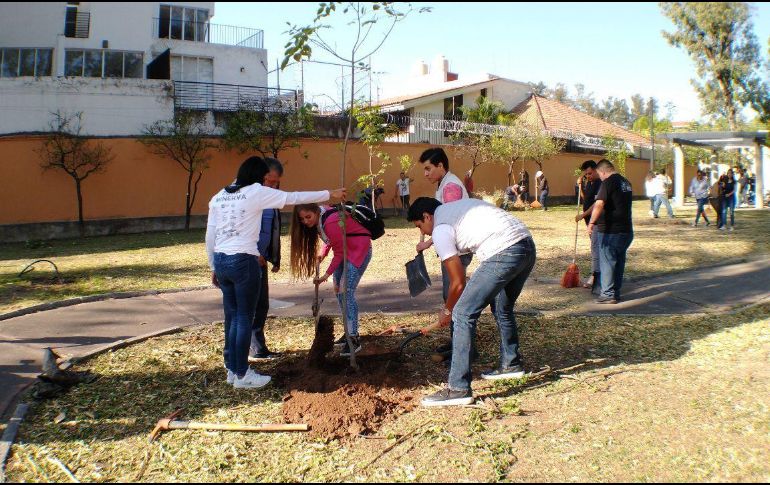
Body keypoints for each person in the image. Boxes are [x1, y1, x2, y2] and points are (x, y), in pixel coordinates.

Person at [206, 156, 345, 389]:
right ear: (257, 177)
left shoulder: (219, 196)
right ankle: (242, 375)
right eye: (265, 179)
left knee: (232, 316)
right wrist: (329, 193)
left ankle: (232, 369)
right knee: (244, 317)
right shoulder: (255, 192)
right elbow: (294, 198)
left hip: (221, 260)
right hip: (243, 261)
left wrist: (213, 265)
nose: (267, 183)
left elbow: (210, 234)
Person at [407, 197, 536, 407]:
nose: (424, 232)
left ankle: (458, 388)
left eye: (419, 226)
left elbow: (458, 282)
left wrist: (447, 310)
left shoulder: (440, 229)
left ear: (426, 216)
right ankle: (511, 363)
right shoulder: (455, 210)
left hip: (503, 251)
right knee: (501, 307)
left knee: (462, 314)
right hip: (526, 245)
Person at [290, 203, 373, 356]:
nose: (306, 221)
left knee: (345, 291)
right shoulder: (322, 218)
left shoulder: (331, 221)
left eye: (308, 217)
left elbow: (339, 252)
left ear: (316, 212)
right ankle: (348, 331)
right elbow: (332, 240)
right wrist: (322, 254)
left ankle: (353, 338)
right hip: (346, 250)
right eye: (302, 219)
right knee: (338, 290)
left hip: (358, 251)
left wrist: (326, 275)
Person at [416, 148, 472, 359]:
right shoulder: (444, 184)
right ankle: (457, 340)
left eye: (428, 168)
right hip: (452, 248)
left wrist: (428, 243)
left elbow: (449, 222)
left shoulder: (450, 188)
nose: (426, 174)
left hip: (457, 250)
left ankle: (464, 347)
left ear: (441, 166)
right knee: (451, 295)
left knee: (454, 296)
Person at [248, 158, 284, 361]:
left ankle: (258, 347)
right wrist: (255, 253)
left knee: (262, 304)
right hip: (248, 259)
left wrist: (273, 257)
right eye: (270, 181)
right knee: (252, 305)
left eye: (276, 182)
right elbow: (245, 230)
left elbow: (272, 230)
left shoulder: (271, 200)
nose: (273, 185)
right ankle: (254, 349)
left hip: (261, 260)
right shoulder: (249, 197)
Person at [587, 159, 633, 304]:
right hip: (626, 229)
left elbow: (599, 203)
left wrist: (591, 222)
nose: (600, 178)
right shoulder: (626, 182)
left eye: (599, 174)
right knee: (618, 262)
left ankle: (607, 294)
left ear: (602, 171)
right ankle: (615, 293)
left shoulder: (608, 182)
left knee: (607, 262)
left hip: (610, 231)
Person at [575, 160, 602, 292]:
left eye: (590, 173)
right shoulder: (590, 183)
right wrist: (580, 187)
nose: (588, 176)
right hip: (589, 221)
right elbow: (586, 199)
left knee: (595, 249)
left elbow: (596, 204)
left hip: (596, 222)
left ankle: (594, 277)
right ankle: (599, 275)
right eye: (586, 174)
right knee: (595, 248)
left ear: (596, 170)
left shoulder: (600, 184)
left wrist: (583, 215)